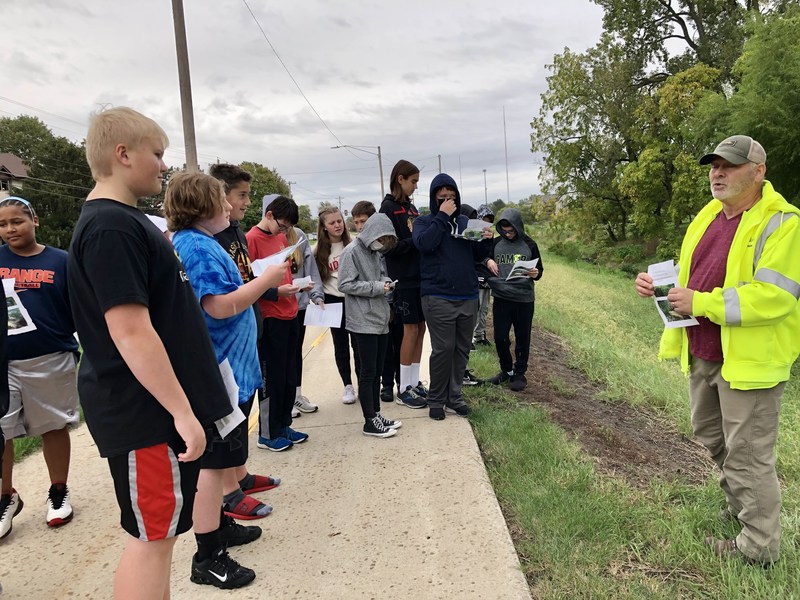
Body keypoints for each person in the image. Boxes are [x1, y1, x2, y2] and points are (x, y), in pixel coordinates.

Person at [68, 107, 233, 599]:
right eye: (157, 154)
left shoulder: (123, 222)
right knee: (152, 539)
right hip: (145, 414)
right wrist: (182, 412)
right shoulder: (111, 228)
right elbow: (131, 331)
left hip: (152, 412)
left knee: (158, 537)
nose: (164, 166)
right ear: (123, 154)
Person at [635, 135, 800, 566]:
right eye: (713, 166)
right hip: (703, 349)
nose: (717, 173)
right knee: (711, 436)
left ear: (758, 171)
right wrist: (659, 286)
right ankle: (745, 510)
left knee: (747, 451)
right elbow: (692, 273)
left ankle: (759, 545)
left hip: (749, 361)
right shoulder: (709, 215)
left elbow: (773, 297)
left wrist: (701, 302)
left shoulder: (782, 223)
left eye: (728, 165)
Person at [166, 172, 290, 588]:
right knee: (212, 466)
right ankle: (208, 555)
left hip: (231, 370)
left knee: (220, 464)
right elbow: (218, 307)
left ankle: (220, 528)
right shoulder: (197, 248)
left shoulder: (200, 242)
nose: (229, 208)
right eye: (221, 200)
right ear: (202, 207)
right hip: (220, 374)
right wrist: (266, 281)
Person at [0, 197, 79, 540]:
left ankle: (58, 490)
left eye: (16, 221)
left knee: (53, 425)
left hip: (50, 357)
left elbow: (78, 309)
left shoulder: (61, 261)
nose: (9, 229)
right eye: (2, 225)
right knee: (0, 430)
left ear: (35, 220)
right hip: (4, 362)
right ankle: (6, 496)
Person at [209, 165, 285, 495]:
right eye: (241, 195)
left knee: (244, 409)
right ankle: (229, 491)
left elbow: (248, 278)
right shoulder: (211, 237)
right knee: (229, 415)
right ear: (219, 195)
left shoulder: (235, 231)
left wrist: (271, 287)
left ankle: (240, 475)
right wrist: (269, 284)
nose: (245, 202)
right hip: (225, 344)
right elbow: (220, 298)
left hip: (248, 332)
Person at [412, 174, 491, 421]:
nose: (448, 201)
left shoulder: (466, 221)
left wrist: (485, 240)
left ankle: (454, 396)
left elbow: (477, 254)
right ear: (434, 199)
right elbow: (424, 245)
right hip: (437, 294)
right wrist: (443, 217)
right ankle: (436, 398)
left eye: (452, 197)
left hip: (467, 294)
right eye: (442, 197)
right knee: (443, 348)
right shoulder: (425, 222)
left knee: (461, 348)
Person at [247, 196, 308, 452]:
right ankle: (268, 433)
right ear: (269, 215)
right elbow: (248, 282)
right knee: (271, 378)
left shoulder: (282, 238)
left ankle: (284, 424)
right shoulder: (251, 239)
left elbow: (285, 272)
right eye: (282, 226)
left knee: (287, 375)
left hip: (290, 311)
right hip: (270, 316)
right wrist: (276, 293)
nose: (284, 232)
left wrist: (296, 287)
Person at [338, 213, 402, 438]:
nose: (382, 243)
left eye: (386, 239)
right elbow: (344, 284)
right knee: (367, 373)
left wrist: (386, 284)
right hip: (362, 321)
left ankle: (376, 413)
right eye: (381, 237)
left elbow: (380, 276)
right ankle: (369, 421)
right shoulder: (351, 251)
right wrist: (377, 287)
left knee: (377, 372)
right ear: (371, 232)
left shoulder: (375, 253)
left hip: (380, 318)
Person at [380, 160, 428, 408]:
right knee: (409, 330)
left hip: (420, 277)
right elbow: (389, 246)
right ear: (400, 179)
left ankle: (414, 381)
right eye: (413, 181)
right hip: (403, 279)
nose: (415, 186)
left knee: (421, 329)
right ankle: (404, 388)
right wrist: (416, 242)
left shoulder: (410, 208)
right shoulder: (387, 208)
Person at [484, 208, 543, 392]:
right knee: (500, 337)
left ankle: (519, 372)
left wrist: (535, 273)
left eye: (511, 231)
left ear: (518, 227)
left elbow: (539, 270)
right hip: (502, 297)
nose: (508, 235)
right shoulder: (495, 244)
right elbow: (480, 258)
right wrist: (488, 260)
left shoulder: (529, 244)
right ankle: (506, 370)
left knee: (522, 337)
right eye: (505, 231)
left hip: (524, 299)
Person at [352, 200, 401, 402]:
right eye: (356, 222)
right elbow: (349, 283)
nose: (361, 226)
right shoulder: (357, 249)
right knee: (379, 355)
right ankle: (386, 386)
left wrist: (388, 292)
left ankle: (400, 382)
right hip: (370, 309)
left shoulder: (382, 244)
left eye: (364, 221)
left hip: (390, 301)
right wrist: (380, 289)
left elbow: (384, 272)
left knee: (395, 345)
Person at [314, 206, 360, 404]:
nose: (337, 225)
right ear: (324, 227)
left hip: (354, 299)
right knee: (340, 345)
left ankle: (363, 382)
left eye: (339, 221)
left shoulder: (354, 245)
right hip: (333, 301)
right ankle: (347, 385)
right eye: (332, 223)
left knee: (358, 344)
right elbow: (315, 279)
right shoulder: (318, 252)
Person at [283, 218, 323, 415]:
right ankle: (285, 399)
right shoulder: (263, 238)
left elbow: (310, 269)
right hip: (276, 307)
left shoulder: (298, 235)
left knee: (296, 352)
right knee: (282, 356)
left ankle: (296, 395)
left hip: (299, 306)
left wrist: (317, 295)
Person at [472, 204, 496, 348]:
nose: (486, 223)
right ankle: (472, 338)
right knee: (476, 307)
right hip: (476, 276)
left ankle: (481, 335)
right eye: (484, 220)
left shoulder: (490, 236)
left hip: (487, 278)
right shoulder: (473, 235)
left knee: (484, 308)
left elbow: (491, 253)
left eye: (489, 221)